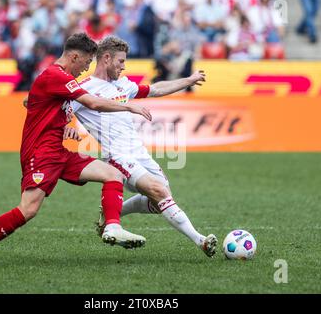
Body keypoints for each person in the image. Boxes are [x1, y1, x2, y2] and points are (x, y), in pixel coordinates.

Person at [0, 33, 153, 267]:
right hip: (40, 154)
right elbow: (91, 102)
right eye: (86, 62)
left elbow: (39, 102)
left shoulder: (58, 78)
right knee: (28, 209)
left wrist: (65, 126)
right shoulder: (55, 75)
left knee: (113, 174)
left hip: (59, 151)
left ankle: (113, 227)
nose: (86, 68)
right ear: (74, 56)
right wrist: (128, 106)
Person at [70, 36, 218, 258]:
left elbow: (156, 89)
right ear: (107, 58)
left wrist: (187, 80)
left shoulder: (124, 85)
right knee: (159, 192)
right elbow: (57, 107)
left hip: (140, 153)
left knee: (160, 201)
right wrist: (66, 126)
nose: (123, 66)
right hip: (117, 157)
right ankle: (201, 241)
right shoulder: (84, 89)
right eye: (120, 61)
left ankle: (113, 210)